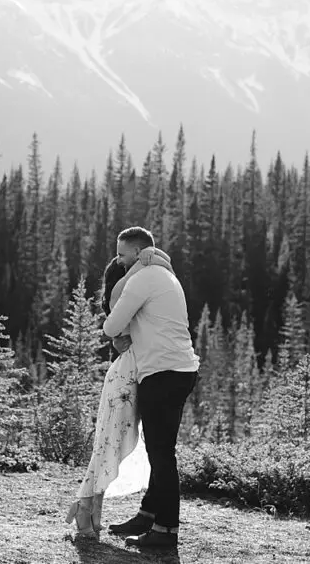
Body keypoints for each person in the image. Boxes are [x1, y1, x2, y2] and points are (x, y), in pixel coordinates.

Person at [64, 246, 175, 539]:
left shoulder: (145, 289)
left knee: (111, 443)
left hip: (132, 375)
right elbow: (114, 325)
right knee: (109, 443)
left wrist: (154, 259)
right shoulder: (124, 291)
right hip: (126, 378)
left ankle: (90, 512)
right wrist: (145, 263)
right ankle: (84, 508)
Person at [103, 226, 200, 549]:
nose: (117, 261)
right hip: (181, 370)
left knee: (161, 455)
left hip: (162, 373)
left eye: (121, 254)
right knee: (160, 450)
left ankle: (166, 531)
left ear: (136, 253)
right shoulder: (165, 275)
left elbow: (112, 325)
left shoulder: (142, 279)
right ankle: (148, 515)